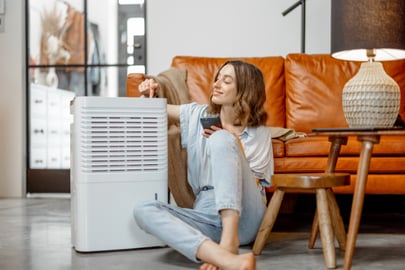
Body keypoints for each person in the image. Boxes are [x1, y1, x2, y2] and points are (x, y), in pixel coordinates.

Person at [133, 60, 274, 270]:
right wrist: (147, 94)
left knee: (221, 139)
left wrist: (232, 141)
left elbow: (254, 182)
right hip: (206, 211)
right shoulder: (196, 113)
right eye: (217, 78)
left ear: (245, 90)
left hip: (245, 214)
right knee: (143, 210)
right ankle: (222, 257)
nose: (216, 84)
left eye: (226, 81)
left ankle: (229, 241)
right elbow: (155, 111)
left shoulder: (259, 132)